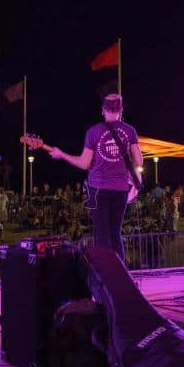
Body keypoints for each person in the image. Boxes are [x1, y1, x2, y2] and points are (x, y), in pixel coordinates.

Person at [50, 94, 142, 261]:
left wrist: (62, 154)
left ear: (103, 110)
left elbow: (84, 163)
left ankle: (106, 277)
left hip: (98, 189)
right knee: (115, 234)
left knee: (102, 235)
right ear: (121, 110)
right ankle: (120, 276)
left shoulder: (93, 132)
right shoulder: (129, 131)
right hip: (121, 189)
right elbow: (139, 160)